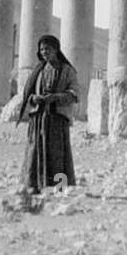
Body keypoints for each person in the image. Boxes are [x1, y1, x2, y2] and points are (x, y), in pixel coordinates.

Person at [15, 34, 79, 197]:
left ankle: (60, 188)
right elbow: (27, 93)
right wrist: (33, 98)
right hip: (39, 118)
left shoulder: (68, 71)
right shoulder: (38, 70)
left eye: (48, 49)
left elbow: (74, 93)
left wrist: (56, 97)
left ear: (56, 49)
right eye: (42, 49)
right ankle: (33, 185)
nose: (44, 52)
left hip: (57, 118)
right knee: (35, 150)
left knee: (58, 153)